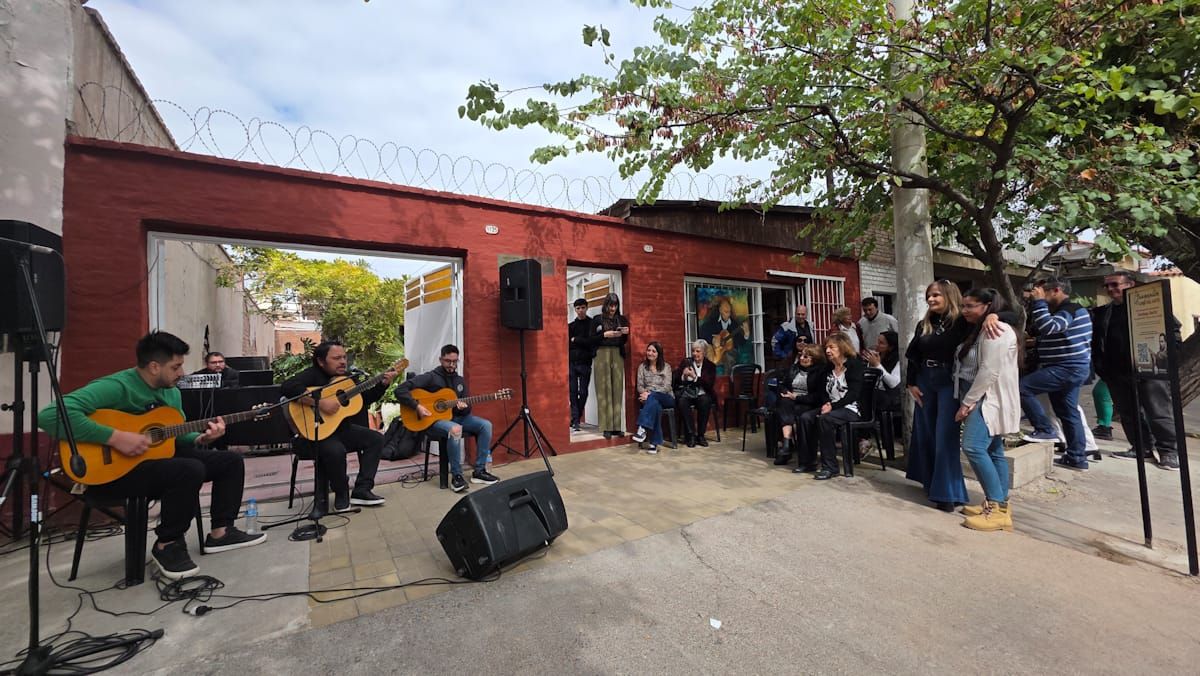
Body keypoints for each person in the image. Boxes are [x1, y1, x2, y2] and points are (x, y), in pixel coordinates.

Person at [37, 331, 265, 581]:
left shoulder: (171, 392)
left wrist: (201, 439)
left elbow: (173, 433)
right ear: (154, 366)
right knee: (188, 469)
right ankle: (167, 544)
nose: (181, 373)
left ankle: (221, 533)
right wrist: (115, 437)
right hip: (112, 472)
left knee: (230, 462)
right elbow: (49, 416)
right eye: (176, 367)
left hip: (154, 462)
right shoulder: (116, 386)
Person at [904, 280, 1005, 511]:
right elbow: (914, 355)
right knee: (926, 434)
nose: (930, 299)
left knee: (945, 437)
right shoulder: (925, 323)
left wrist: (994, 315)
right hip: (924, 381)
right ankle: (932, 485)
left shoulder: (963, 321)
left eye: (936, 295)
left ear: (948, 295)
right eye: (929, 295)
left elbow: (1012, 315)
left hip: (950, 382)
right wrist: (911, 383)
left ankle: (948, 493)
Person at [281, 341, 393, 510]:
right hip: (315, 434)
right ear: (321, 361)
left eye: (344, 357)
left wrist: (383, 385)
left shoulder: (347, 379)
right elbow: (287, 387)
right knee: (336, 451)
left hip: (341, 430)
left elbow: (363, 399)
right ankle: (341, 492)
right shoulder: (312, 375)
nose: (342, 362)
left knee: (376, 439)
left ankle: (362, 490)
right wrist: (319, 403)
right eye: (336, 358)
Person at [1092, 270, 1180, 470]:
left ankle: (1169, 452)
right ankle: (1141, 448)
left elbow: (1173, 333)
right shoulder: (1104, 312)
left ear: (1130, 285)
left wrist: (1165, 356)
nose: (1110, 289)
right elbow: (1097, 341)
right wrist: (1101, 366)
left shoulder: (1150, 307)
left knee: (1158, 411)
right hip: (1117, 372)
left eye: (1115, 284)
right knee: (1128, 413)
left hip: (1149, 369)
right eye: (1107, 285)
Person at [954, 288, 1020, 532]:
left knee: (973, 446)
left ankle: (995, 508)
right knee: (994, 451)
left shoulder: (996, 329)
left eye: (970, 306)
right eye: (963, 306)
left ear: (987, 306)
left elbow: (989, 371)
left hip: (988, 397)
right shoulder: (983, 327)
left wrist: (967, 402)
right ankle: (1000, 506)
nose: (965, 311)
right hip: (986, 396)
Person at [395, 344, 502, 492]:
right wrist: (417, 406)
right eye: (448, 361)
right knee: (455, 429)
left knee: (485, 425)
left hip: (457, 418)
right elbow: (400, 390)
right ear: (441, 359)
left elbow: (467, 409)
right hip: (434, 421)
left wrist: (464, 407)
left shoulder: (460, 381)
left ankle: (479, 471)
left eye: (454, 361)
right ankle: (457, 476)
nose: (451, 365)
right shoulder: (430, 377)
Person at [1019, 278, 1093, 471]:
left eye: (1042, 291)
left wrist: (1039, 303)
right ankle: (1077, 458)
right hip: (1068, 367)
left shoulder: (1070, 309)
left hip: (1066, 367)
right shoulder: (1062, 311)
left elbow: (1050, 327)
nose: (1037, 294)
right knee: (1067, 412)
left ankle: (1045, 430)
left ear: (1056, 290)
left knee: (1021, 388)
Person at [813, 333, 865, 480]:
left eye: (831, 347)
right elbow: (822, 390)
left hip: (851, 408)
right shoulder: (828, 367)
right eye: (826, 348)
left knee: (825, 419)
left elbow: (853, 394)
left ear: (842, 348)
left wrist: (833, 406)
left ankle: (830, 467)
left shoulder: (854, 365)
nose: (827, 351)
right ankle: (807, 462)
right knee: (806, 417)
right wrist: (826, 403)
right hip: (831, 406)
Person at [772, 341, 828, 470]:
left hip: (808, 402)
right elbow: (783, 384)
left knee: (788, 410)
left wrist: (797, 397)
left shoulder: (820, 372)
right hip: (791, 400)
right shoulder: (794, 368)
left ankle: (787, 447)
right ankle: (787, 443)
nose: (802, 358)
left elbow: (817, 396)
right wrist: (786, 392)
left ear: (815, 358)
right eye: (801, 355)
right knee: (784, 403)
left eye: (806, 356)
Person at [591, 293, 630, 439]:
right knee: (603, 388)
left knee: (617, 388)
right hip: (601, 353)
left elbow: (624, 341)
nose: (613, 308)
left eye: (615, 305)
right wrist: (604, 335)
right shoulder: (597, 319)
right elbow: (590, 339)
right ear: (605, 305)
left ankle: (616, 426)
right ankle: (606, 426)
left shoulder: (622, 319)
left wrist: (625, 333)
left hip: (617, 353)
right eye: (610, 305)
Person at [861, 330, 902, 459]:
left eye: (881, 343)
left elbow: (893, 383)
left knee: (865, 398)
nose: (877, 345)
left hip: (891, 396)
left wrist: (878, 365)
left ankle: (865, 437)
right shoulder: (878, 356)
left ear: (891, 347)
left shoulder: (897, 360)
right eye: (877, 342)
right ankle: (863, 437)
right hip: (876, 394)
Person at [673, 339, 717, 447]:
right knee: (682, 402)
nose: (694, 354)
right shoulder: (686, 362)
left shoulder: (710, 366)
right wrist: (683, 376)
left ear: (704, 352)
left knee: (705, 401)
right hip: (687, 393)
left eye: (698, 351)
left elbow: (709, 385)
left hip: (703, 393)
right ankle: (691, 435)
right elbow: (675, 380)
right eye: (693, 351)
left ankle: (701, 435)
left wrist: (695, 377)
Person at [632, 342, 674, 454]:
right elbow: (640, 386)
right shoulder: (642, 367)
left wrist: (650, 394)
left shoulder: (666, 367)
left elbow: (667, 387)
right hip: (649, 399)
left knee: (653, 398)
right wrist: (646, 394)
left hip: (666, 397)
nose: (650, 353)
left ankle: (642, 427)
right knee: (656, 406)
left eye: (653, 351)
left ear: (659, 354)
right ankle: (653, 444)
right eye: (649, 350)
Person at [568, 298, 597, 432]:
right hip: (572, 362)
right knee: (573, 392)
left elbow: (592, 342)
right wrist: (582, 342)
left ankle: (576, 417)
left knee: (583, 392)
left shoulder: (591, 324)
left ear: (587, 308)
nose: (580, 310)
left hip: (585, 362)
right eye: (578, 308)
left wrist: (577, 340)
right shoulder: (571, 326)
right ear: (575, 309)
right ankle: (575, 420)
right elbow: (568, 344)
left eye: (583, 308)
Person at [699, 296, 750, 372]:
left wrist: (746, 334)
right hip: (715, 351)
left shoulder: (734, 324)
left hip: (730, 353)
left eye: (729, 312)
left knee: (729, 357)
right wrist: (712, 339)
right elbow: (702, 333)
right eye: (726, 312)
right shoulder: (712, 321)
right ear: (720, 310)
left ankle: (728, 378)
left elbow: (740, 342)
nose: (728, 314)